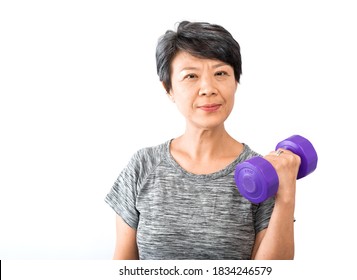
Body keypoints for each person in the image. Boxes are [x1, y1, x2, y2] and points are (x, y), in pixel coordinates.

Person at [105, 21, 301, 260]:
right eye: (191, 76)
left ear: (235, 82)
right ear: (169, 89)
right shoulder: (142, 166)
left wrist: (286, 194)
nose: (208, 88)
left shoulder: (260, 175)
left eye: (220, 73)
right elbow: (122, 268)